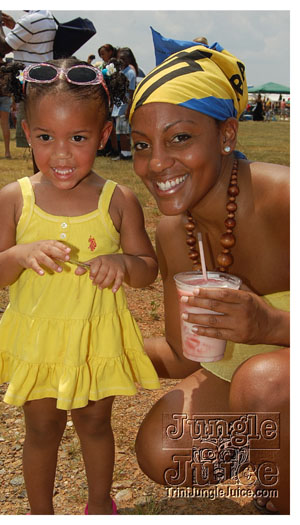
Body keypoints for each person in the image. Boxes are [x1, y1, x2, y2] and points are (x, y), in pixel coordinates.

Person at [0, 57, 160, 515]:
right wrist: (17, 255)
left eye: (77, 138)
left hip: (94, 336)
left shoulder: (119, 201)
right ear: (26, 129)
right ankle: (41, 514)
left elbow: (148, 269)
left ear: (103, 134)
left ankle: (99, 506)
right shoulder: (15, 198)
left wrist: (121, 263)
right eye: (44, 137)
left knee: (96, 424)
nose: (60, 154)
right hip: (37, 341)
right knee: (41, 430)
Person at [129, 38, 289, 514]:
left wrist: (272, 326)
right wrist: (99, 349)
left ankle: (280, 502)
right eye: (141, 145)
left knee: (264, 386)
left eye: (179, 138)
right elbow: (184, 357)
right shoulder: (177, 233)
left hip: (273, 377)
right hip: (259, 382)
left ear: (226, 135)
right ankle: (276, 450)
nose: (156, 163)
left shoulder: (285, 201)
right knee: (166, 451)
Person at [0, 10, 57, 162]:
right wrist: (15, 27)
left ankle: (40, 181)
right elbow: (33, 44)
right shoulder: (46, 16)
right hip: (44, 80)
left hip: (32, 84)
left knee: (35, 136)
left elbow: (4, 47)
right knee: (40, 135)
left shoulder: (30, 20)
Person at [111, 48, 137, 161]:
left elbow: (131, 92)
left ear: (128, 59)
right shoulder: (120, 72)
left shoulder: (130, 73)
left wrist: (128, 108)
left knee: (124, 132)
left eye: (123, 58)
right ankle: (122, 151)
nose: (121, 61)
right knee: (120, 132)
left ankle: (126, 153)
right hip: (118, 106)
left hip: (124, 107)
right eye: (119, 58)